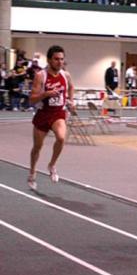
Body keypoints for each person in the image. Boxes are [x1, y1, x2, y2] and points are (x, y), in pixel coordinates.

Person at [27, 45, 76, 190]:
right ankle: (32, 172)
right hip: (43, 113)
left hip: (58, 113)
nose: (59, 62)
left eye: (61, 59)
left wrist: (71, 101)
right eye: (56, 59)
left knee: (61, 138)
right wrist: (45, 94)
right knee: (37, 147)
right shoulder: (41, 76)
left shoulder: (66, 75)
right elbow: (32, 99)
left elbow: (71, 87)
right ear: (49, 60)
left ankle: (52, 164)